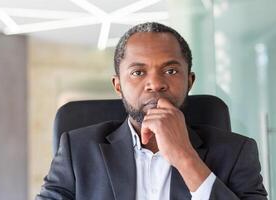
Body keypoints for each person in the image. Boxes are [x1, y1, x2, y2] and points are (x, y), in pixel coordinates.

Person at [36, 22, 267, 200]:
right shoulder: (77, 150)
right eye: (138, 72)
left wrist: (185, 157)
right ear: (118, 85)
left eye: (170, 71)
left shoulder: (237, 152)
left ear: (190, 81)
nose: (155, 84)